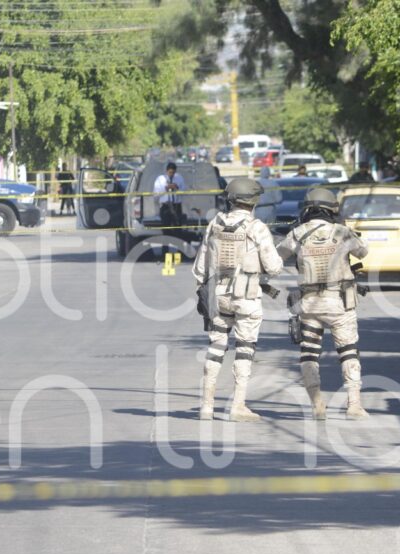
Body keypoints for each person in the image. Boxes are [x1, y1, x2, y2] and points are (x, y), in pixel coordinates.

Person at [193, 177, 283, 422]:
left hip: (218, 296)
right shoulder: (257, 228)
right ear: (253, 201)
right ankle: (238, 406)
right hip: (246, 297)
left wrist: (205, 293)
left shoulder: (214, 224)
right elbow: (274, 267)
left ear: (230, 199)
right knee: (244, 349)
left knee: (215, 348)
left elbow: (200, 269)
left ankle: (206, 407)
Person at [277, 187, 370, 420]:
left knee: (309, 353)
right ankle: (354, 405)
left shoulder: (298, 233)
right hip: (340, 303)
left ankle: (317, 405)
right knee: (348, 351)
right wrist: (345, 229)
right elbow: (363, 252)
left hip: (310, 304)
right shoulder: (342, 232)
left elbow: (277, 257)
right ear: (332, 209)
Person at [154, 161, 185, 228]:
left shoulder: (179, 178)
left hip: (176, 205)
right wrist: (166, 188)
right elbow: (156, 193)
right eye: (170, 172)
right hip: (165, 205)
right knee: (166, 225)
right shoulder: (160, 179)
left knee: (177, 225)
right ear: (166, 171)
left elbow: (184, 191)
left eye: (173, 172)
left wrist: (177, 187)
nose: (171, 174)